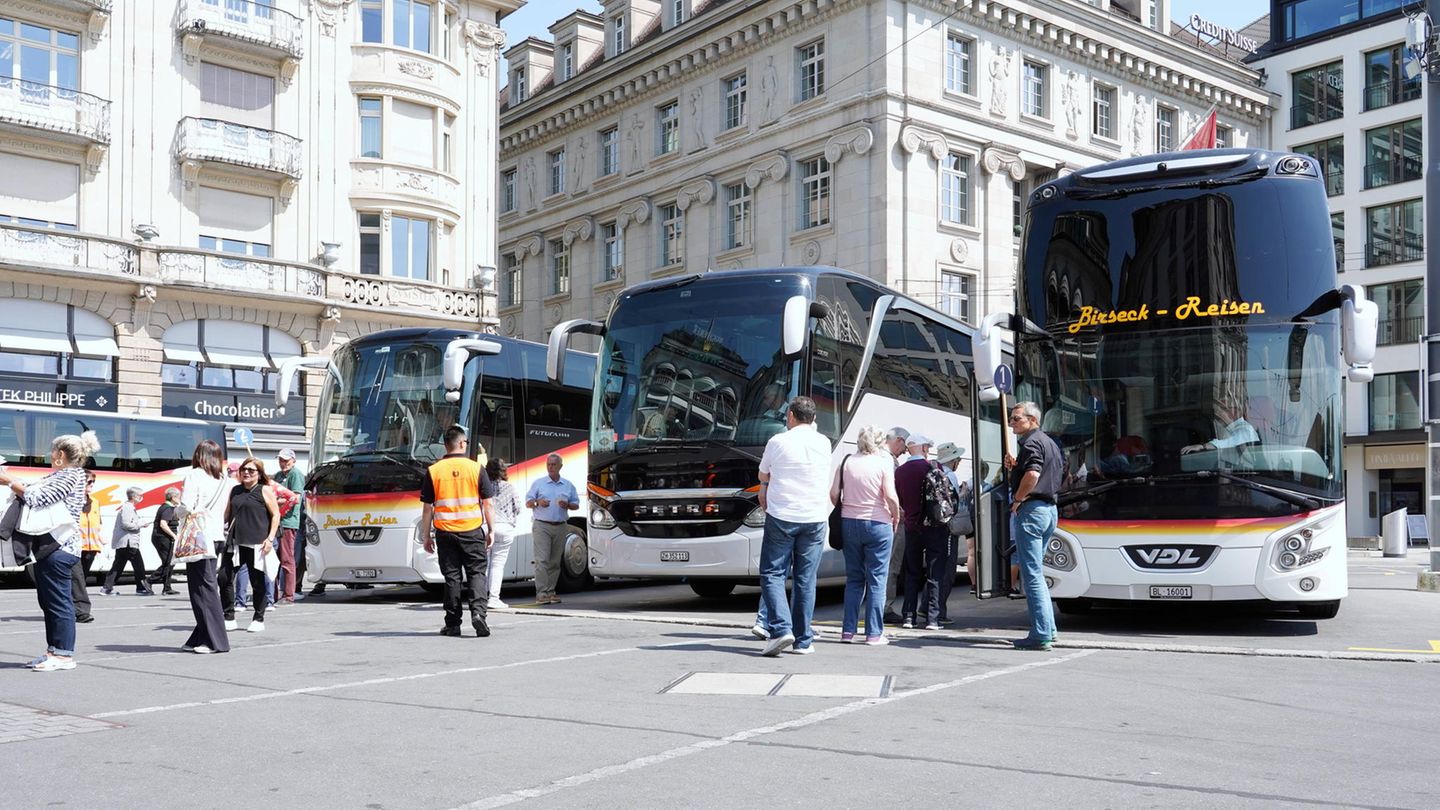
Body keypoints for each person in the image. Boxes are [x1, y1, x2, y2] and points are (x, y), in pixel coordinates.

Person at [1, 430, 100, 671]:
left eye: (52, 451)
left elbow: (39, 497)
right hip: (52, 548)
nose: (49, 454)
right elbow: (32, 489)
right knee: (49, 602)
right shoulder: (66, 474)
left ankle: (64, 654)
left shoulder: (70, 475)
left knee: (58, 602)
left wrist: (9, 482)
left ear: (61, 454)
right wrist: (10, 478)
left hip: (59, 546)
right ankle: (54, 652)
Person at [756, 395, 832, 656]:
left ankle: (780, 629)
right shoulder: (824, 442)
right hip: (814, 518)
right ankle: (803, 641)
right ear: (813, 419)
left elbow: (763, 473)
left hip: (783, 515)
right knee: (805, 579)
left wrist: (765, 487)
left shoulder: (778, 441)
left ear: (790, 415)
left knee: (772, 573)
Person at [420, 426, 497, 636]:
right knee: (476, 573)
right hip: (472, 530)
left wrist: (426, 536)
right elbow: (487, 504)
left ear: (445, 445)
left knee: (452, 578)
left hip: (445, 532)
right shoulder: (476, 469)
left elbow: (427, 508)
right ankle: (479, 614)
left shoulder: (433, 471)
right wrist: (491, 530)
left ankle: (453, 623)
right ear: (462, 444)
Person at [830, 424, 901, 645]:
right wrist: (896, 515)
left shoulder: (846, 462)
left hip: (849, 523)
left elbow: (833, 494)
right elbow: (890, 496)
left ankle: (847, 632)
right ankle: (873, 634)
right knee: (877, 579)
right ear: (879, 443)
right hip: (878, 523)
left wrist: (849, 508)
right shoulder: (883, 463)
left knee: (854, 579)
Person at [1003, 401, 1062, 651]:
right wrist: (1016, 469)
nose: (1011, 423)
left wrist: (1017, 499)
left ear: (1032, 420)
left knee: (1032, 574)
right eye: (1012, 419)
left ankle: (1040, 634)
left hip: (1033, 509)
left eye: (1016, 419)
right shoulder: (1049, 443)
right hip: (1049, 510)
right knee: (1037, 572)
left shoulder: (1031, 442)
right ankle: (1048, 629)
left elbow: (1034, 474)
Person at [179, 439, 231, 654]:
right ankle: (199, 636)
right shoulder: (224, 479)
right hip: (216, 534)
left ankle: (214, 641)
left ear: (199, 456)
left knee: (202, 589)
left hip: (199, 537)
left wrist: (176, 513)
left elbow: (186, 506)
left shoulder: (194, 475)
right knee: (206, 586)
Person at [894, 434, 948, 630]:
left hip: (911, 527)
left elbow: (899, 499)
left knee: (912, 572)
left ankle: (908, 616)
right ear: (924, 448)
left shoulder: (899, 471)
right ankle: (933, 619)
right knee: (935, 573)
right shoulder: (934, 467)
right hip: (934, 527)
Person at [222, 457, 280, 633]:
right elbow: (227, 514)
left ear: (259, 474)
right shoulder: (235, 490)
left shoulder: (265, 490)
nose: (246, 472)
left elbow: (276, 515)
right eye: (244, 469)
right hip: (234, 542)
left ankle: (258, 617)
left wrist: (270, 539)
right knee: (223, 578)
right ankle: (229, 616)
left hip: (257, 543)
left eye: (251, 470)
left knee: (257, 582)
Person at [526, 453, 580, 605]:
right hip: (542, 525)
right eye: (548, 464)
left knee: (555, 561)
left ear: (560, 466)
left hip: (560, 526)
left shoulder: (568, 485)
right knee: (542, 560)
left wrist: (567, 505)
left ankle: (550, 592)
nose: (550, 467)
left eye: (553, 465)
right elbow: (528, 502)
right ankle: (541, 593)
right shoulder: (539, 483)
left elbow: (576, 504)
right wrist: (538, 502)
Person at [934, 441, 971, 620]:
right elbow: (954, 503)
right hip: (950, 529)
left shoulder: (935, 473)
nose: (960, 462)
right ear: (953, 460)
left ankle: (929, 607)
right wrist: (963, 493)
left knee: (936, 569)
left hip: (937, 528)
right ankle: (939, 611)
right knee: (948, 571)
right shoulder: (950, 476)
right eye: (958, 459)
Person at [881, 426, 911, 622]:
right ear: (899, 440)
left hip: (870, 519)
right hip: (890, 520)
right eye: (905, 447)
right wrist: (898, 510)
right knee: (891, 565)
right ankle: (885, 607)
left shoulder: (870, 456)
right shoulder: (888, 461)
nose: (904, 452)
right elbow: (890, 493)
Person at [484, 458, 522, 610]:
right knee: (497, 565)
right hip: (505, 527)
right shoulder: (510, 488)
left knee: (485, 563)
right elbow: (518, 508)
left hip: (487, 526)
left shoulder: (482, 486)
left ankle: (482, 596)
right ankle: (494, 598)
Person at [103, 487, 153, 596]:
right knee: (138, 565)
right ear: (134, 497)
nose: (142, 498)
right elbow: (126, 524)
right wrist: (141, 524)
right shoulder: (128, 508)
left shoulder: (127, 507)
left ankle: (107, 588)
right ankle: (141, 588)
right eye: (140, 496)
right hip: (128, 542)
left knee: (118, 566)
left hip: (124, 542)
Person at [272, 448, 304, 606]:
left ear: (293, 460)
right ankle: (274, 593)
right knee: (274, 559)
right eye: (280, 460)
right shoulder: (278, 476)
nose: (283, 463)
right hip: (276, 521)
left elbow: (295, 498)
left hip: (288, 521)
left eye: (286, 460)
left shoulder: (295, 474)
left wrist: (273, 502)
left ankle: (289, 595)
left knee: (286, 558)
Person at [70, 471, 101, 624]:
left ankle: (71, 608)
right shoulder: (71, 499)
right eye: (89, 482)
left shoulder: (95, 501)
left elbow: (97, 522)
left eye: (93, 482)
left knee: (80, 579)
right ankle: (82, 612)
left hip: (91, 546)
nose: (92, 485)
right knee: (77, 579)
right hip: (76, 545)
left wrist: (100, 538)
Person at [1182, 396, 1259, 455]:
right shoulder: (1231, 430)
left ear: (1235, 412)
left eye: (1222, 409)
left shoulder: (1245, 429)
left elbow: (1230, 443)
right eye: (1217, 410)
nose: (1217, 413)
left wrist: (1203, 446)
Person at [148, 487, 181, 595]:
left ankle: (167, 587)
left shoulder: (170, 507)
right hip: (162, 538)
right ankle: (149, 580)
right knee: (168, 562)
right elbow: (163, 524)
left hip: (163, 538)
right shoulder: (167, 508)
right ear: (173, 497)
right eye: (178, 496)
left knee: (169, 562)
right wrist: (174, 536)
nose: (180, 498)